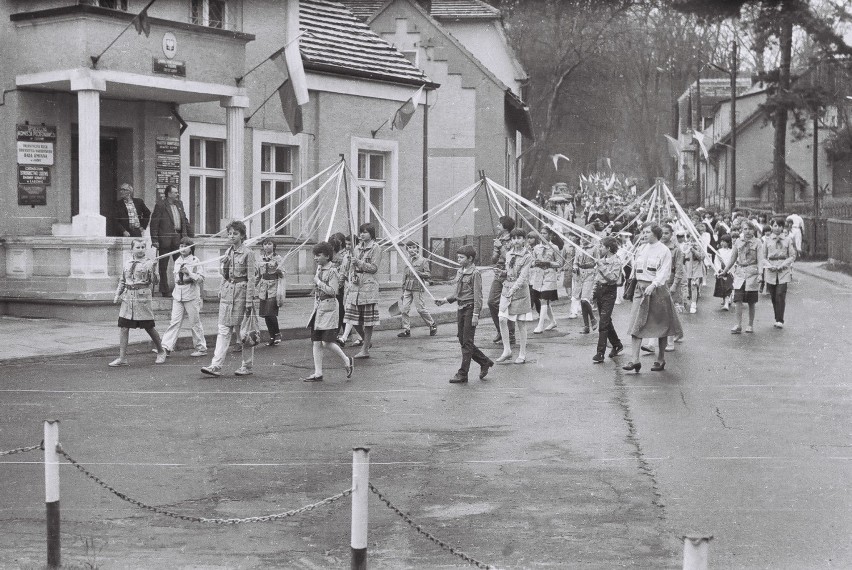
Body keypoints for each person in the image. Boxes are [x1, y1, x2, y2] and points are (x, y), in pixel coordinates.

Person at [622, 222, 683, 373]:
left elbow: (664, 272)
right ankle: (635, 360)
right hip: (640, 289)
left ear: (656, 233)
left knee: (660, 325)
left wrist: (654, 284)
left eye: (647, 232)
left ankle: (660, 359)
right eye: (643, 232)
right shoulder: (641, 248)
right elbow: (636, 268)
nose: (644, 234)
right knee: (636, 323)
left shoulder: (664, 250)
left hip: (657, 289)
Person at [201, 220, 259, 377]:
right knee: (223, 330)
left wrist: (249, 301)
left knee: (244, 333)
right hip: (228, 295)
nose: (232, 236)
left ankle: (247, 366)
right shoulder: (228, 252)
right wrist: (223, 270)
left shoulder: (248, 253)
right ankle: (215, 366)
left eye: (236, 233)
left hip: (241, 294)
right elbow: (225, 276)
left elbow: (252, 279)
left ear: (242, 235)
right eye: (230, 233)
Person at [435, 245, 493, 383]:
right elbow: (457, 293)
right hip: (460, 308)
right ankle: (484, 361)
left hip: (470, 308)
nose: (458, 259)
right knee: (462, 339)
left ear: (470, 259)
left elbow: (478, 296)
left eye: (461, 257)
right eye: (458, 257)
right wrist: (444, 300)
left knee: (466, 342)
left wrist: (475, 315)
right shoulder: (460, 271)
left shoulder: (475, 273)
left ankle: (463, 374)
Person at [109, 239, 167, 366]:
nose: (140, 249)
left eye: (142, 247)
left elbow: (155, 282)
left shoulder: (148, 263)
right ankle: (122, 358)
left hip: (142, 298)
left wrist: (154, 268)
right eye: (138, 247)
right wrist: (117, 294)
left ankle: (161, 351)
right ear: (132, 249)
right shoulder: (127, 263)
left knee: (149, 326)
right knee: (124, 327)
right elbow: (123, 280)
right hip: (128, 298)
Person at [303, 242, 354, 382]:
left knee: (326, 342)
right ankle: (318, 372)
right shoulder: (319, 269)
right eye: (315, 255)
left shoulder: (333, 271)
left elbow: (333, 291)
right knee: (316, 341)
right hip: (319, 308)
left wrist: (318, 282)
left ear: (327, 255)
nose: (315, 258)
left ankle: (346, 360)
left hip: (329, 309)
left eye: (318, 255)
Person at [160, 237, 207, 357]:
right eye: (181, 246)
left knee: (194, 322)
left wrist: (189, 273)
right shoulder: (177, 261)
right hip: (178, 294)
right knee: (174, 322)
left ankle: (201, 348)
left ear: (191, 248)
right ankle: (166, 347)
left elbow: (201, 278)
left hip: (191, 294)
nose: (182, 249)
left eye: (185, 246)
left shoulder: (196, 261)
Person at [496, 228, 535, 364]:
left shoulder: (527, 256)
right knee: (501, 318)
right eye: (513, 238)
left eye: (519, 238)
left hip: (520, 293)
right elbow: (509, 272)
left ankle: (522, 354)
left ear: (524, 239)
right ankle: (507, 350)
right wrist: (502, 273)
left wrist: (512, 290)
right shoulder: (508, 254)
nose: (516, 241)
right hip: (507, 289)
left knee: (521, 323)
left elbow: (523, 277)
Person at [344, 223, 382, 359]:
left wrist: (359, 263)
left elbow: (374, 268)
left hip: (368, 286)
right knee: (353, 319)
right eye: (360, 232)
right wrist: (351, 264)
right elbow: (351, 267)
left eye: (365, 232)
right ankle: (367, 342)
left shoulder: (376, 248)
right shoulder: (357, 247)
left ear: (371, 233)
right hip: (355, 286)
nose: (361, 235)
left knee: (368, 321)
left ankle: (365, 349)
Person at [720, 219, 765, 334]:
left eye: (750, 229)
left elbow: (760, 259)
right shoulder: (738, 242)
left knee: (751, 301)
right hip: (740, 273)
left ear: (754, 230)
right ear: (742, 230)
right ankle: (738, 324)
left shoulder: (758, 242)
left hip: (752, 274)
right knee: (738, 299)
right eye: (745, 229)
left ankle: (750, 324)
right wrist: (725, 271)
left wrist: (760, 274)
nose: (748, 231)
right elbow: (733, 258)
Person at [150, 184, 192, 297]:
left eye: (177, 192)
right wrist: (154, 240)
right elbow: (154, 223)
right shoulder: (160, 205)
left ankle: (181, 287)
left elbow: (184, 219)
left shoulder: (179, 204)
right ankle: (164, 290)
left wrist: (189, 235)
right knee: (163, 266)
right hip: (164, 239)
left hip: (179, 239)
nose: (177, 194)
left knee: (181, 264)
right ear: (169, 194)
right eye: (175, 192)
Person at [592, 236, 623, 363]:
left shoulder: (617, 261)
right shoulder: (601, 260)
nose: (599, 248)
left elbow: (613, 278)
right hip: (600, 290)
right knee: (606, 320)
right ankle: (617, 344)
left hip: (609, 292)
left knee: (603, 323)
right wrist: (593, 292)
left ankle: (600, 353)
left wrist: (602, 267)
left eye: (601, 246)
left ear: (608, 248)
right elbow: (597, 277)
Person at [398, 241, 437, 338]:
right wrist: (403, 289)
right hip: (407, 287)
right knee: (404, 309)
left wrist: (419, 273)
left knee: (420, 309)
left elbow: (428, 274)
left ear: (417, 249)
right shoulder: (407, 260)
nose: (411, 249)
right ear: (407, 250)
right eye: (409, 247)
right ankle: (406, 330)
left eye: (414, 247)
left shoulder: (423, 261)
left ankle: (432, 324)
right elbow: (405, 275)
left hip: (417, 287)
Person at [762, 218, 797, 328]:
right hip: (771, 270)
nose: (777, 228)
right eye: (775, 226)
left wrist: (784, 264)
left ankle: (780, 320)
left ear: (783, 227)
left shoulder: (788, 240)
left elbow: (792, 255)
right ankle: (776, 317)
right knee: (773, 296)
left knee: (780, 294)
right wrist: (769, 265)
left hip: (783, 270)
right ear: (772, 227)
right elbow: (762, 257)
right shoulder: (767, 241)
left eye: (779, 226)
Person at [489, 216, 516, 345]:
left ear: (505, 227)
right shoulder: (499, 240)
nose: (497, 226)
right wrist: (495, 250)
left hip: (509, 275)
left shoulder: (513, 239)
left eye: (499, 224)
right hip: (498, 273)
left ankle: (510, 334)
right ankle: (501, 330)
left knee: (508, 304)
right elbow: (494, 260)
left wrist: (501, 248)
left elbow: (510, 260)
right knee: (491, 302)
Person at [257, 238, 286, 346]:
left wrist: (279, 271)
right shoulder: (260, 258)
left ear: (274, 246)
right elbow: (258, 275)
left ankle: (277, 333)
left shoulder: (278, 258)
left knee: (270, 312)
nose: (267, 246)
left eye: (269, 244)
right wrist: (252, 286)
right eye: (265, 244)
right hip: (263, 288)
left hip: (274, 287)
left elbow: (283, 273)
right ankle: (272, 336)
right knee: (265, 314)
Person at [532, 226, 560, 333]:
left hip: (549, 277)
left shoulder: (554, 248)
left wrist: (548, 263)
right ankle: (553, 322)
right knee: (544, 301)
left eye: (545, 233)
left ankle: (540, 325)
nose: (543, 235)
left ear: (550, 235)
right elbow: (532, 261)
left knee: (544, 299)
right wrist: (536, 263)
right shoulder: (536, 248)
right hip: (539, 277)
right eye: (541, 233)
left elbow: (559, 263)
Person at [573, 227, 599, 334]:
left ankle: (593, 318)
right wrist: (575, 267)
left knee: (585, 299)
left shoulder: (595, 248)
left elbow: (598, 262)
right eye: (583, 235)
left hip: (590, 275)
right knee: (581, 301)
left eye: (588, 235)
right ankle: (586, 326)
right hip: (580, 275)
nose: (585, 238)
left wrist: (596, 275)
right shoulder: (578, 248)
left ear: (592, 237)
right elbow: (575, 261)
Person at [712, 234, 734, 311]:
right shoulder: (718, 251)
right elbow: (716, 261)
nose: (722, 243)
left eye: (724, 241)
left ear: (728, 242)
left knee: (728, 287)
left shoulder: (732, 251)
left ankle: (726, 303)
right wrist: (719, 269)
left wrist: (729, 270)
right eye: (721, 241)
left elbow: (732, 262)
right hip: (721, 271)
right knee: (722, 287)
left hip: (729, 272)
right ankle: (725, 300)